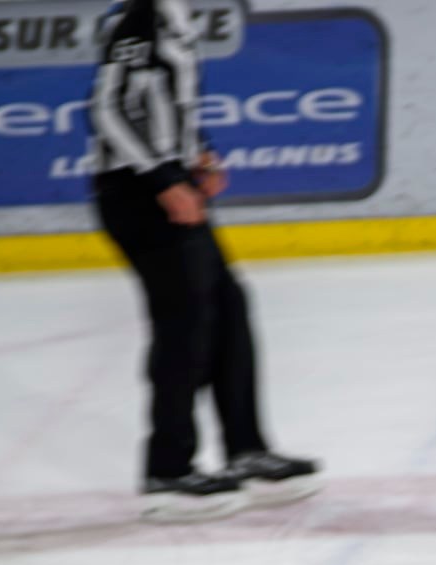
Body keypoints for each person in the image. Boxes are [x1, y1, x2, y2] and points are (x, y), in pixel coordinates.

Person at [88, 0, 320, 523]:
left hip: (162, 180)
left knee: (227, 306)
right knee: (184, 323)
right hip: (136, 192)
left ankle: (246, 450)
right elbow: (107, 107)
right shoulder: (142, 15)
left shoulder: (170, 13)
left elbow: (161, 104)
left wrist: (197, 155)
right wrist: (162, 179)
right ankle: (167, 471)